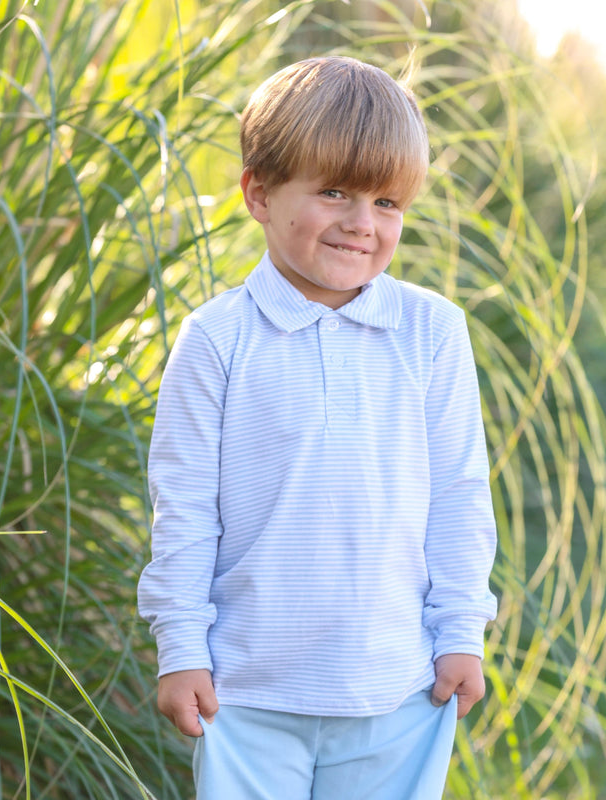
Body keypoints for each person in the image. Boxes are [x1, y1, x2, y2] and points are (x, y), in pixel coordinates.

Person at [137, 56, 498, 800]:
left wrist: (461, 632)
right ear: (260, 194)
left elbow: (461, 494)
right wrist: (181, 648)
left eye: (387, 202)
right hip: (246, 693)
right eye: (334, 191)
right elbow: (185, 510)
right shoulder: (217, 340)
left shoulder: (431, 331)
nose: (362, 223)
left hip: (398, 691)